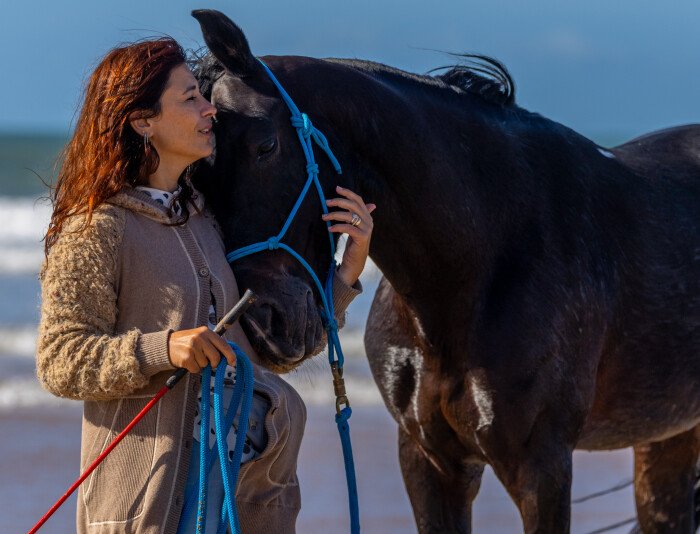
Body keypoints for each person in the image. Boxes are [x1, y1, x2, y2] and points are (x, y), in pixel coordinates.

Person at [36, 37, 375, 533]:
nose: (209, 109)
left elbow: (267, 355)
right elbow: (59, 361)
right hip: (151, 511)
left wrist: (348, 271)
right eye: (189, 97)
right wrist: (164, 349)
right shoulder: (97, 227)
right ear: (142, 121)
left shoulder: (203, 222)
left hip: (247, 506)